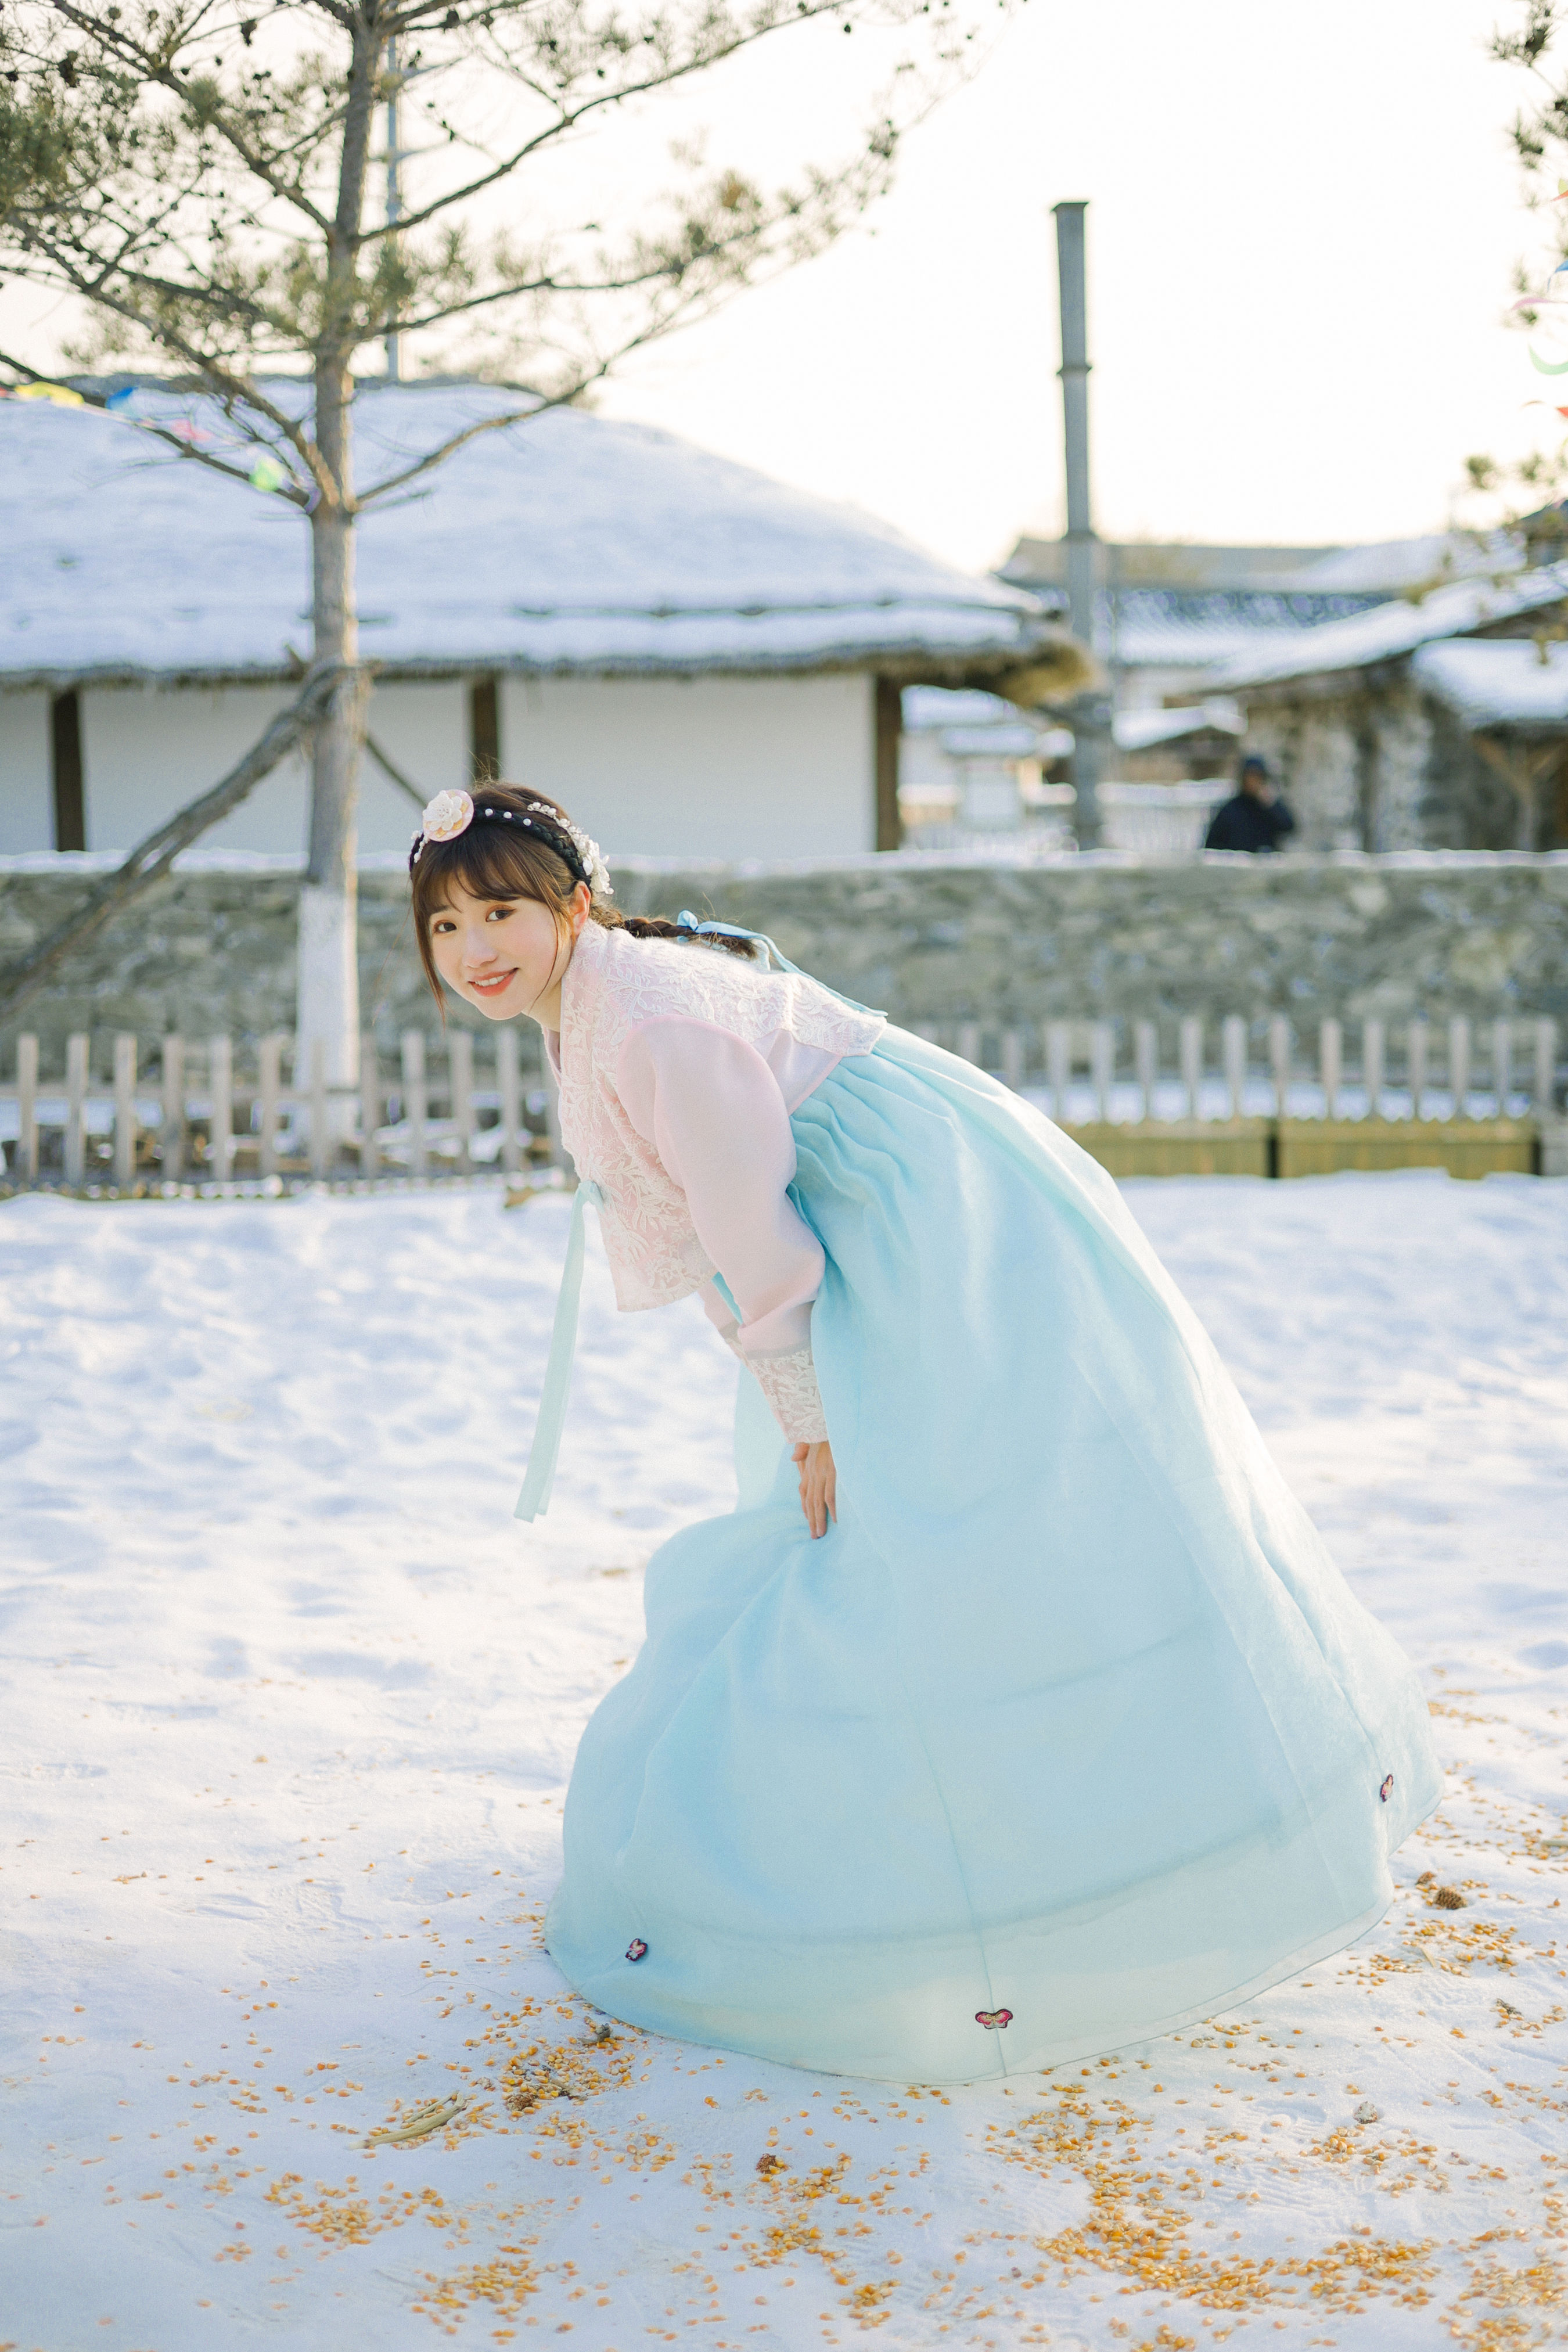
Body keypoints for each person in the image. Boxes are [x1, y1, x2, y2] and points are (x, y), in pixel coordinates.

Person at [409, 780, 1441, 2085]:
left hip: (942, 1231)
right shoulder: (604, 1002)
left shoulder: (651, 1022)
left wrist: (810, 1414)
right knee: (901, 1520)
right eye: (444, 928)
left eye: (499, 910)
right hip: (892, 1220)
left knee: (923, 1512)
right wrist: (798, 1396)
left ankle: (1043, 1863)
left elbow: (751, 1233)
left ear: (575, 903)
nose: (475, 951)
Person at [1205, 754, 1296, 853]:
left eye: (1257, 777)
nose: (1252, 782)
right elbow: (1212, 846)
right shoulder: (1230, 810)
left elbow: (1289, 827)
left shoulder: (1268, 806)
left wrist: (1270, 805)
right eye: (1250, 777)